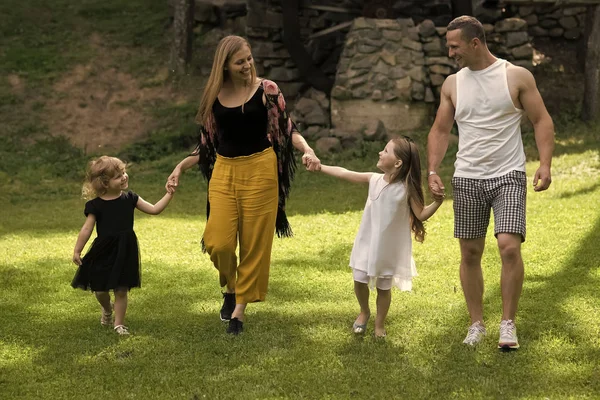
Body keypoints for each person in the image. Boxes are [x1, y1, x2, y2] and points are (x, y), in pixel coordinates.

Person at [166, 35, 320, 335]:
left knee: (253, 245)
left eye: (249, 58)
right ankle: (231, 287)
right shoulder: (214, 96)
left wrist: (308, 150)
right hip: (225, 172)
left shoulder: (268, 90)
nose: (247, 65)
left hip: (261, 171)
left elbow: (287, 128)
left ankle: (239, 310)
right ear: (225, 66)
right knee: (217, 242)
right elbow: (207, 144)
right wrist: (180, 166)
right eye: (240, 62)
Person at [427, 16, 554, 350]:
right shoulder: (452, 84)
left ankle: (507, 324)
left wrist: (544, 164)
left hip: (508, 174)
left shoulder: (515, 76)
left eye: (454, 46)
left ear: (474, 43)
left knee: (509, 246)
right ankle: (476, 324)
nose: (450, 52)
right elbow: (441, 130)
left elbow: (541, 120)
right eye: (447, 46)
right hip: (467, 177)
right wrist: (432, 169)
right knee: (470, 252)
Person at [309, 137, 443, 338]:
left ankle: (379, 325)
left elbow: (421, 213)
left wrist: (438, 203)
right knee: (359, 280)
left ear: (398, 163)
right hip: (367, 242)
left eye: (386, 151)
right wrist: (321, 167)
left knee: (383, 288)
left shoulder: (406, 190)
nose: (380, 153)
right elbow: (345, 173)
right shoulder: (374, 179)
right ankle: (364, 311)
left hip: (388, 248)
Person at [72, 156, 174, 335]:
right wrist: (77, 250)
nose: (124, 177)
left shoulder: (130, 198)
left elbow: (155, 209)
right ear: (104, 183)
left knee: (121, 289)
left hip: (125, 249)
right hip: (103, 250)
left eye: (124, 173)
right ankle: (107, 309)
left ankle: (119, 324)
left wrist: (169, 193)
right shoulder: (95, 206)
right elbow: (87, 229)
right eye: (118, 176)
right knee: (100, 289)